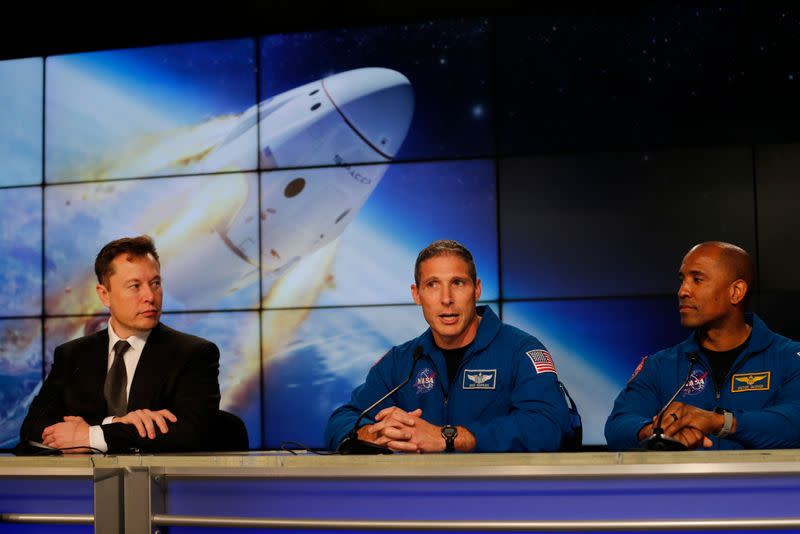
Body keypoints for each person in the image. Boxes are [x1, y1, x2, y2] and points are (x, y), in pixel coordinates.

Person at [325, 239, 573, 453]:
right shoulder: (401, 361)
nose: (446, 299)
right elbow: (342, 420)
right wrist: (370, 433)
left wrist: (448, 437)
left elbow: (548, 426)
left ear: (476, 289)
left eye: (458, 283)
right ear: (417, 294)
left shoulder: (521, 351)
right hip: (418, 501)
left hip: (497, 499)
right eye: (432, 284)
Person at [19, 235, 221, 454]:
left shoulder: (194, 354)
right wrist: (115, 422)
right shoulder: (72, 355)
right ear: (104, 295)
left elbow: (194, 433)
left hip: (159, 485)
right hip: (80, 486)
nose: (150, 296)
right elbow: (32, 429)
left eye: (155, 283)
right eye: (135, 286)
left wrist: (90, 435)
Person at [605, 241, 800, 451]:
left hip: (763, 484)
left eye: (697, 280)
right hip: (685, 485)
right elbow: (617, 425)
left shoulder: (789, 358)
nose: (682, 291)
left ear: (736, 291)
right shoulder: (661, 365)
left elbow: (794, 423)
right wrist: (657, 431)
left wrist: (718, 421)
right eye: (682, 280)